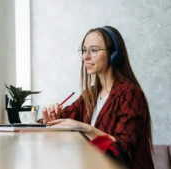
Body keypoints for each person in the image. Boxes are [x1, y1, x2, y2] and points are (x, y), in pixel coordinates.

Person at [39, 26, 154, 169]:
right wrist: (50, 118)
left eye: (93, 50)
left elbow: (123, 149)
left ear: (114, 54)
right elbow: (58, 121)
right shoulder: (90, 95)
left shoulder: (130, 93)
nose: (85, 57)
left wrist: (85, 128)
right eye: (84, 50)